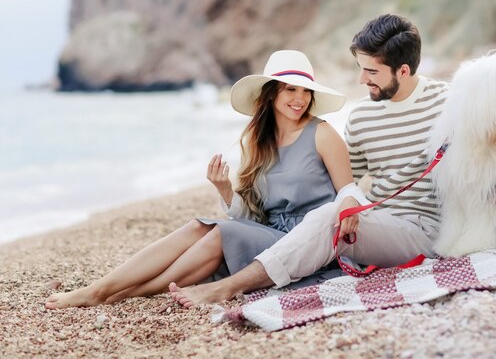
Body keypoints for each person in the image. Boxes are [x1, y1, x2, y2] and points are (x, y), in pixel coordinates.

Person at [170, 14, 496, 307]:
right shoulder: (362, 116)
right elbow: (340, 182)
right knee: (333, 213)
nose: (362, 79)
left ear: (402, 70)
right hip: (377, 222)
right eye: (361, 68)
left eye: (371, 71)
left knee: (330, 217)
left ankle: (229, 288)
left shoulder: (449, 101)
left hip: (428, 229)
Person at [45, 49, 352, 309]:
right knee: (199, 226)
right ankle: (105, 289)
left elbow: (348, 198)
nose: (300, 98)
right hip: (268, 235)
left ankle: (116, 293)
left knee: (219, 235)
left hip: (306, 243)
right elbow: (255, 215)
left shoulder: (322, 134)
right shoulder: (260, 143)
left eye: (305, 90)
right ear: (271, 93)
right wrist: (225, 189)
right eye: (290, 89)